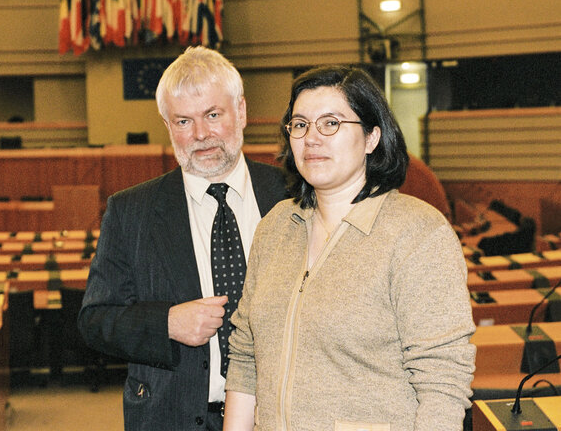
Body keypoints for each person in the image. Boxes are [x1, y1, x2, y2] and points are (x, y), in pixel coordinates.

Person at [223, 66, 476, 430]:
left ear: (372, 137)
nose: (311, 138)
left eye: (331, 123)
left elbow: (443, 381)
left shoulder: (419, 233)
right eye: (300, 124)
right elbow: (247, 355)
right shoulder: (275, 227)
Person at [77, 45, 288, 431]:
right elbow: (94, 320)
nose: (201, 135)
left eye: (212, 115)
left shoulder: (293, 194)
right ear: (168, 125)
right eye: (183, 122)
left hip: (282, 414)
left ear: (240, 111)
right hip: (171, 417)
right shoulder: (130, 211)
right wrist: (166, 323)